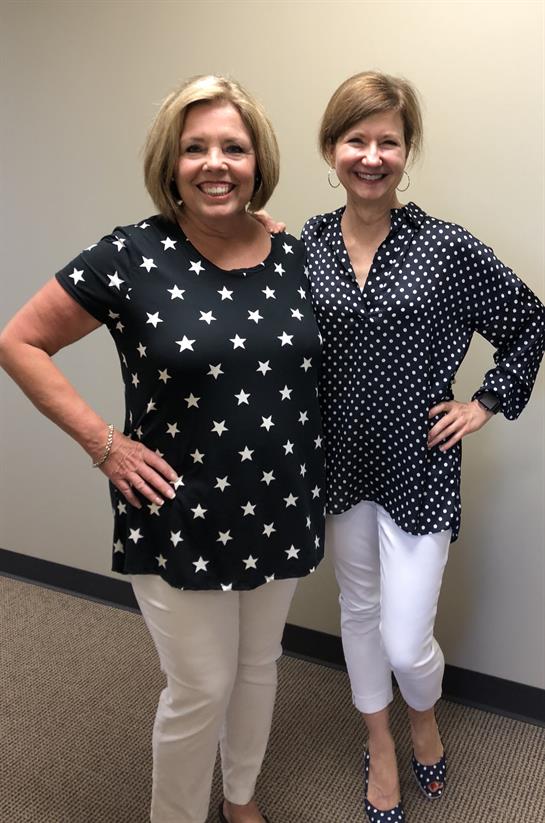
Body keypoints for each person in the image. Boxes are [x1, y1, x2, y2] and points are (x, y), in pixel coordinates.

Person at [0, 75, 325, 823]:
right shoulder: (131, 255)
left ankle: (240, 799)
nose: (216, 163)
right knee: (200, 686)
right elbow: (20, 340)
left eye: (233, 148)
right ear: (170, 163)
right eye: (196, 148)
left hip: (281, 500)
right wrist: (103, 444)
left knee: (256, 668)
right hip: (178, 505)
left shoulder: (293, 254)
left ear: (257, 161)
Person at [260, 70, 545, 822]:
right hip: (339, 463)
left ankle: (422, 713)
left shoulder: (445, 248)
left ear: (406, 151)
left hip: (418, 465)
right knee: (357, 611)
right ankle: (379, 741)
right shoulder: (302, 247)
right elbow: (264, 337)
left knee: (405, 637)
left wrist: (484, 402)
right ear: (331, 149)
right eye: (356, 138)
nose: (371, 154)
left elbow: (527, 318)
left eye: (387, 139)